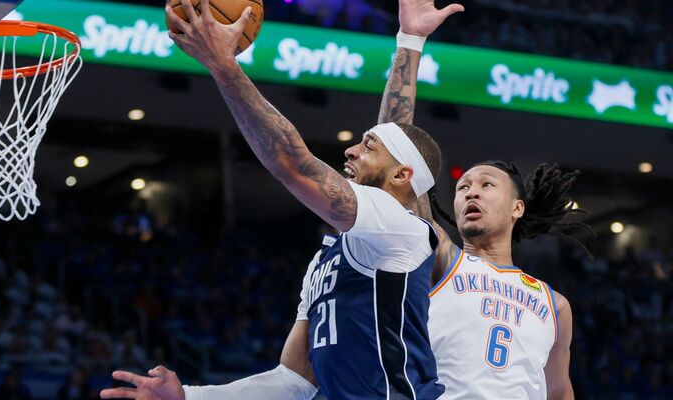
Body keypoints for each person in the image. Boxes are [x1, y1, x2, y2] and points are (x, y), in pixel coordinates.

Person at [100, 0, 462, 399]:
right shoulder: (328, 260)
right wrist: (189, 395)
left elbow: (294, 162)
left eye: (368, 148)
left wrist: (224, 65)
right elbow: (292, 381)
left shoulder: (402, 229)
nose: (350, 151)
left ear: (401, 176)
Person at [376, 8, 585, 398]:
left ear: (516, 208)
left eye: (486, 184)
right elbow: (390, 155)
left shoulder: (555, 306)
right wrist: (409, 42)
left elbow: (558, 391)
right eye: (462, 187)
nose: (470, 191)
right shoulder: (441, 258)